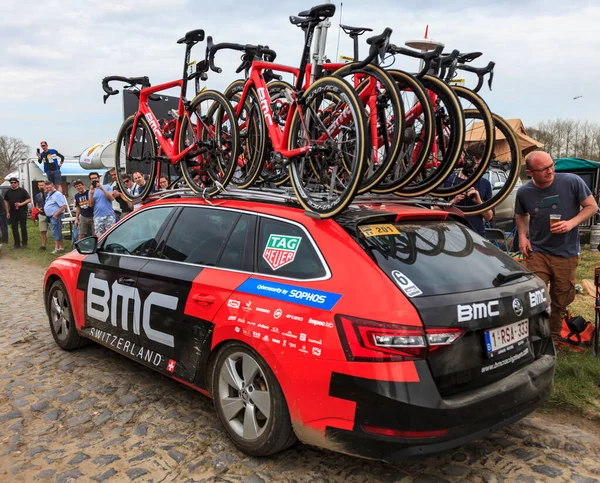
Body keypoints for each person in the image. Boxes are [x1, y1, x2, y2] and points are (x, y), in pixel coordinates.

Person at [515, 150, 598, 340]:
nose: (550, 171)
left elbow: (592, 207)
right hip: (538, 251)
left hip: (566, 252)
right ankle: (533, 335)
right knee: (535, 294)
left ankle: (552, 337)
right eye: (543, 169)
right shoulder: (524, 192)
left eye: (551, 165)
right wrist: (522, 236)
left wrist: (571, 223)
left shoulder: (571, 181)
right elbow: (521, 214)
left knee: (561, 299)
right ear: (530, 172)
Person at [445, 143, 493, 237]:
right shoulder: (450, 180)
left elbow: (489, 217)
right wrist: (454, 201)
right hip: (453, 235)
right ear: (475, 160)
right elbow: (436, 208)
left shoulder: (485, 183)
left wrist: (479, 202)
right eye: (483, 162)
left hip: (477, 235)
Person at [4, 178, 31, 249]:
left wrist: (21, 204)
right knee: (14, 228)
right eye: (11, 182)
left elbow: (29, 199)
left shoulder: (22, 191)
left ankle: (24, 243)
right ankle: (17, 244)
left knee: (23, 227)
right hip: (12, 212)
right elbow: (6, 201)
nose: (13, 184)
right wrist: (7, 212)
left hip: (22, 211)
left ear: (17, 183)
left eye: (14, 182)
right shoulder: (8, 192)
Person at [42, 180, 67, 254]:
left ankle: (56, 248)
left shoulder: (57, 194)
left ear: (53, 186)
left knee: (55, 231)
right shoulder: (49, 194)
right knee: (57, 230)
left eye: (50, 187)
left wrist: (56, 214)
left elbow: (63, 206)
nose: (48, 188)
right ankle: (61, 247)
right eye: (47, 187)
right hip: (50, 216)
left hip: (56, 216)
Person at [88, 171, 115, 236]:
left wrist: (101, 188)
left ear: (99, 178)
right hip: (98, 216)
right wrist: (91, 193)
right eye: (92, 179)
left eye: (95, 178)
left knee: (111, 235)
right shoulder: (91, 191)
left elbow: (112, 198)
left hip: (109, 215)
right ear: (90, 181)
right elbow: (91, 205)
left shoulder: (107, 187)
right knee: (100, 237)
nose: (94, 180)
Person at [34, 180, 48, 251]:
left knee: (54, 231)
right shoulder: (37, 195)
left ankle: (57, 247)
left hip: (50, 215)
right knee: (42, 231)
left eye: (42, 185)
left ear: (45, 185)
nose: (41, 186)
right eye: (39, 185)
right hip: (42, 214)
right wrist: (38, 209)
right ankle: (43, 246)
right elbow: (36, 205)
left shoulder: (49, 194)